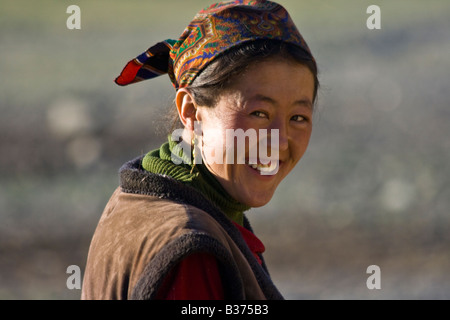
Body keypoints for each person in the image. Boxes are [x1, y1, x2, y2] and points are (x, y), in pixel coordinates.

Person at [81, 0, 319, 300]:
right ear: (192, 111)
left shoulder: (138, 201)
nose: (280, 142)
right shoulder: (191, 249)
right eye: (259, 113)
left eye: (298, 118)